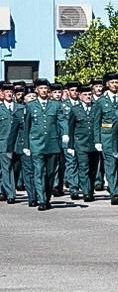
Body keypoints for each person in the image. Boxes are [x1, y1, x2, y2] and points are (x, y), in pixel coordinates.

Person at [23, 79, 65, 210]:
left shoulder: (56, 105)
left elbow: (62, 121)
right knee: (39, 172)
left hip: (52, 144)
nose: (43, 91)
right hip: (36, 143)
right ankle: (41, 199)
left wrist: (65, 134)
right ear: (36, 90)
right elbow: (27, 126)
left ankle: (47, 197)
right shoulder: (30, 106)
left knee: (51, 173)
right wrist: (26, 145)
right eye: (40, 88)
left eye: (45, 88)